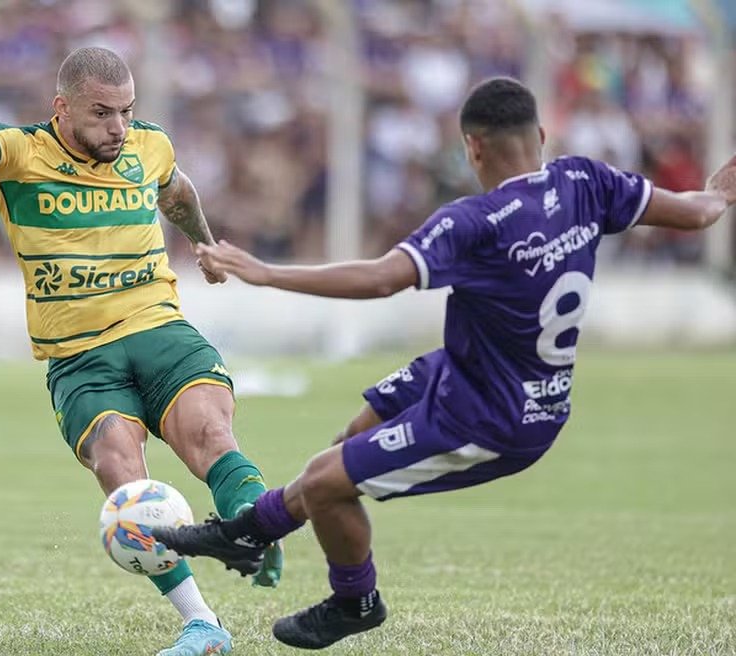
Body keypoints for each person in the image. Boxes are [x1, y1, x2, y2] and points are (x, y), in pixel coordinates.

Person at [153, 77, 736, 650]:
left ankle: (354, 600)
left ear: (473, 147)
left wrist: (266, 272)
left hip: (493, 416)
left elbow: (383, 279)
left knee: (329, 483)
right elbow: (697, 211)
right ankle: (251, 532)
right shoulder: (586, 181)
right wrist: (720, 191)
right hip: (476, 370)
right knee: (351, 439)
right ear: (539, 134)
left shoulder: (474, 221)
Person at [0, 46, 285, 656]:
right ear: (62, 107)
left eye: (127, 111)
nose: (119, 127)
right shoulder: (22, 152)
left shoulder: (149, 145)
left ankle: (258, 529)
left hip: (158, 329)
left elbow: (176, 191)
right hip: (79, 355)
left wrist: (205, 246)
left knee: (211, 435)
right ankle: (202, 624)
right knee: (117, 470)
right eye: (102, 113)